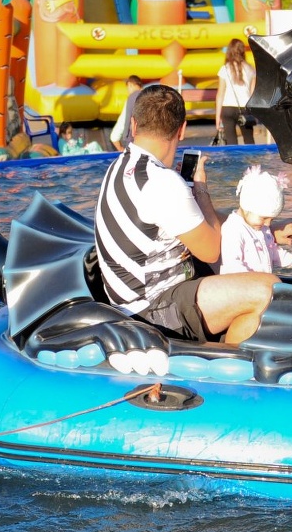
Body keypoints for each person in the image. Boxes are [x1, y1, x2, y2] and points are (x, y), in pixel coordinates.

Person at [94, 84, 277, 345]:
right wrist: (200, 189)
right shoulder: (162, 183)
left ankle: (224, 349)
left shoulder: (122, 167)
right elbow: (212, 248)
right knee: (268, 289)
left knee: (252, 313)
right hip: (149, 312)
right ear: (182, 130)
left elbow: (201, 223)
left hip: (134, 300)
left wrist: (264, 226)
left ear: (134, 126)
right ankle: (221, 368)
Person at [219, 166, 292, 276]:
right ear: (247, 207)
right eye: (263, 218)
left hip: (260, 287)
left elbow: (274, 253)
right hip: (243, 288)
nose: (268, 224)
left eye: (272, 219)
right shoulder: (233, 229)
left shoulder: (262, 229)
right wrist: (257, 282)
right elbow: (232, 265)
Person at [215, 38, 256, 145]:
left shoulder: (224, 69)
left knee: (231, 141)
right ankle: (253, 161)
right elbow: (252, 93)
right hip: (245, 108)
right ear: (243, 51)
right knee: (249, 139)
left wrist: (217, 116)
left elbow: (220, 94)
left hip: (227, 108)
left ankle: (234, 161)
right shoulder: (250, 69)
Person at [110, 75, 144, 152]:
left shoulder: (131, 98)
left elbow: (124, 120)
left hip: (134, 141)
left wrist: (119, 146)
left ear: (130, 85)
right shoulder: (151, 95)